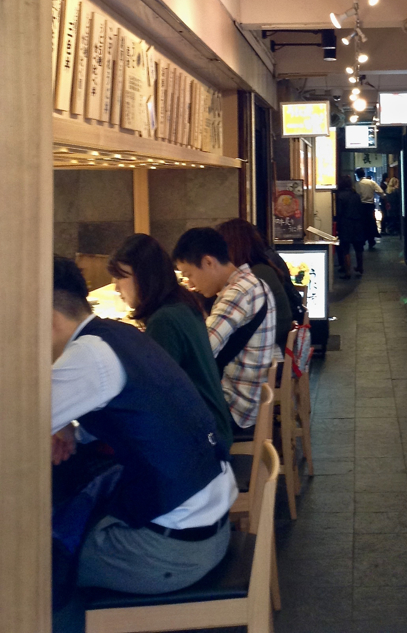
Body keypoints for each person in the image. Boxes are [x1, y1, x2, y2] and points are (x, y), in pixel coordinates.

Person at [51, 256, 236, 611]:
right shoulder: (118, 335)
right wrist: (68, 427)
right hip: (209, 530)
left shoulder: (87, 356)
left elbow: (14, 430)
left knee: (34, 561)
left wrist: (60, 425)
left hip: (170, 552)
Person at [107, 233, 233, 450]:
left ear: (144, 276)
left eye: (121, 277)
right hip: (214, 424)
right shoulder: (182, 304)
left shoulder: (165, 320)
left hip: (204, 441)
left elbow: (154, 398)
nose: (117, 288)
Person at [172, 227, 276, 437]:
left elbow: (201, 354)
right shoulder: (254, 283)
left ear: (208, 262)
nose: (190, 283)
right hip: (248, 400)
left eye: (189, 274)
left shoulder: (237, 293)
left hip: (234, 409)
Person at [216, 218, 294, 351]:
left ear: (233, 246)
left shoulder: (253, 278)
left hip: (271, 350)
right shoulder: (263, 267)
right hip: (277, 344)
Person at [335, 174, 365, 278]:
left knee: (345, 249)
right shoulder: (356, 195)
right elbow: (361, 210)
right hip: (357, 223)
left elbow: (339, 212)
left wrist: (337, 226)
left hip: (345, 224)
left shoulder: (340, 196)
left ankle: (348, 272)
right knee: (358, 248)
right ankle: (360, 267)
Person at [355, 166, 384, 249]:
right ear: (364, 174)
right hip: (370, 205)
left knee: (362, 224)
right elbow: (380, 192)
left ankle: (363, 240)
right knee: (371, 223)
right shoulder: (371, 182)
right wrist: (384, 198)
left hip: (360, 206)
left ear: (357, 175)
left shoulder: (357, 184)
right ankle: (371, 240)